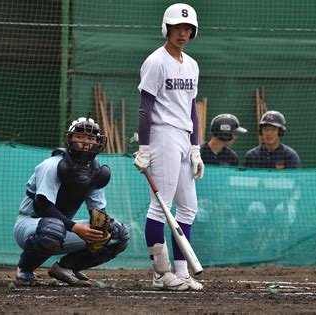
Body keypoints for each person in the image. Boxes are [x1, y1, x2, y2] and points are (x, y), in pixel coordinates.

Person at [133, 3, 204, 291]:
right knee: (159, 209)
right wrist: (145, 148)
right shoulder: (155, 61)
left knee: (188, 208)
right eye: (177, 27)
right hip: (161, 135)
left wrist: (195, 147)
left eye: (187, 28)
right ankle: (161, 273)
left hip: (183, 138)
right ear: (166, 28)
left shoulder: (192, 64)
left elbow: (192, 110)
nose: (182, 33)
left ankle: (182, 272)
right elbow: (144, 108)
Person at [13, 117, 129, 286]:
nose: (85, 142)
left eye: (91, 138)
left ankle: (67, 267)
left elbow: (97, 212)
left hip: (62, 228)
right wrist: (76, 228)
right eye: (80, 137)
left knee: (118, 233)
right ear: (69, 139)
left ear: (98, 142)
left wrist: (102, 228)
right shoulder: (51, 165)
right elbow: (43, 206)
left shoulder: (96, 172)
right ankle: (25, 270)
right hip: (29, 225)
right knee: (53, 228)